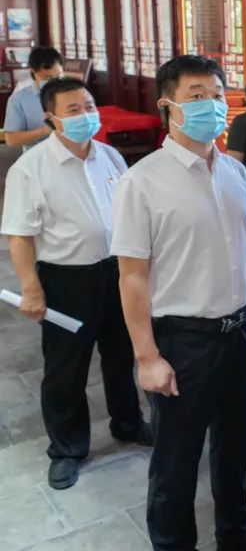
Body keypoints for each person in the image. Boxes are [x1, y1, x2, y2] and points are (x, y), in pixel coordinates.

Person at [111, 55, 246, 551]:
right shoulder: (141, 182)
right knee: (177, 458)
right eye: (196, 96)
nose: (210, 105)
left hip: (241, 330)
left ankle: (237, 533)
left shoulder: (234, 171)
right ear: (167, 106)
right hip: (183, 340)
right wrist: (147, 357)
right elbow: (132, 276)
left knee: (235, 445)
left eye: (216, 95)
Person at [1, 77, 151, 491]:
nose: (86, 115)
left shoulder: (109, 156)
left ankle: (127, 422)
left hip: (116, 272)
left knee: (121, 355)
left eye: (89, 106)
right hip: (66, 280)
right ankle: (67, 448)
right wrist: (31, 288)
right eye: (73, 110)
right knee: (66, 368)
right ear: (51, 118)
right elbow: (20, 236)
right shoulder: (30, 169)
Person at [5, 46, 66, 151]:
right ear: (33, 71)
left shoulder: (72, 93)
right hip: (38, 157)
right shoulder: (18, 100)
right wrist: (45, 130)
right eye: (48, 78)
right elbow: (11, 140)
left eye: (59, 77)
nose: (55, 83)